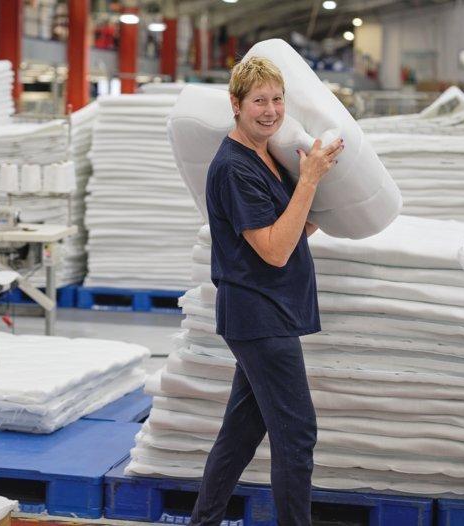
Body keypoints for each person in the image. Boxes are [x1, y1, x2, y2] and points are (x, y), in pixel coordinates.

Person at [189, 57, 343, 526]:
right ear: (235, 105)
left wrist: (321, 198)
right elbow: (275, 252)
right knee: (297, 434)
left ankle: (203, 522)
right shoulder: (235, 168)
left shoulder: (265, 155)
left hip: (268, 310)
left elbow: (290, 232)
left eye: (277, 100)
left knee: (240, 434)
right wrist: (310, 180)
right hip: (259, 316)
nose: (271, 110)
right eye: (259, 101)